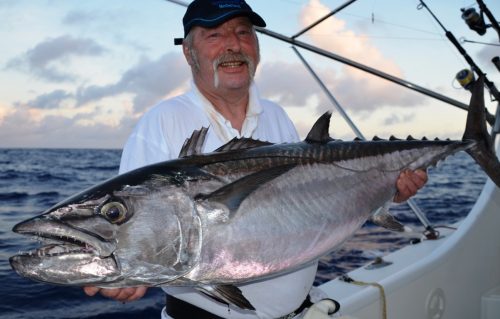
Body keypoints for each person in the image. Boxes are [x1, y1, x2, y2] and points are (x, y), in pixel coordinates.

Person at [84, 0, 428, 318]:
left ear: (257, 46)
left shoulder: (276, 115)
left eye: (243, 32)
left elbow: (316, 198)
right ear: (189, 53)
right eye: (214, 34)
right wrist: (128, 268)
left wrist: (387, 191)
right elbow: (131, 224)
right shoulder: (162, 122)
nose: (232, 44)